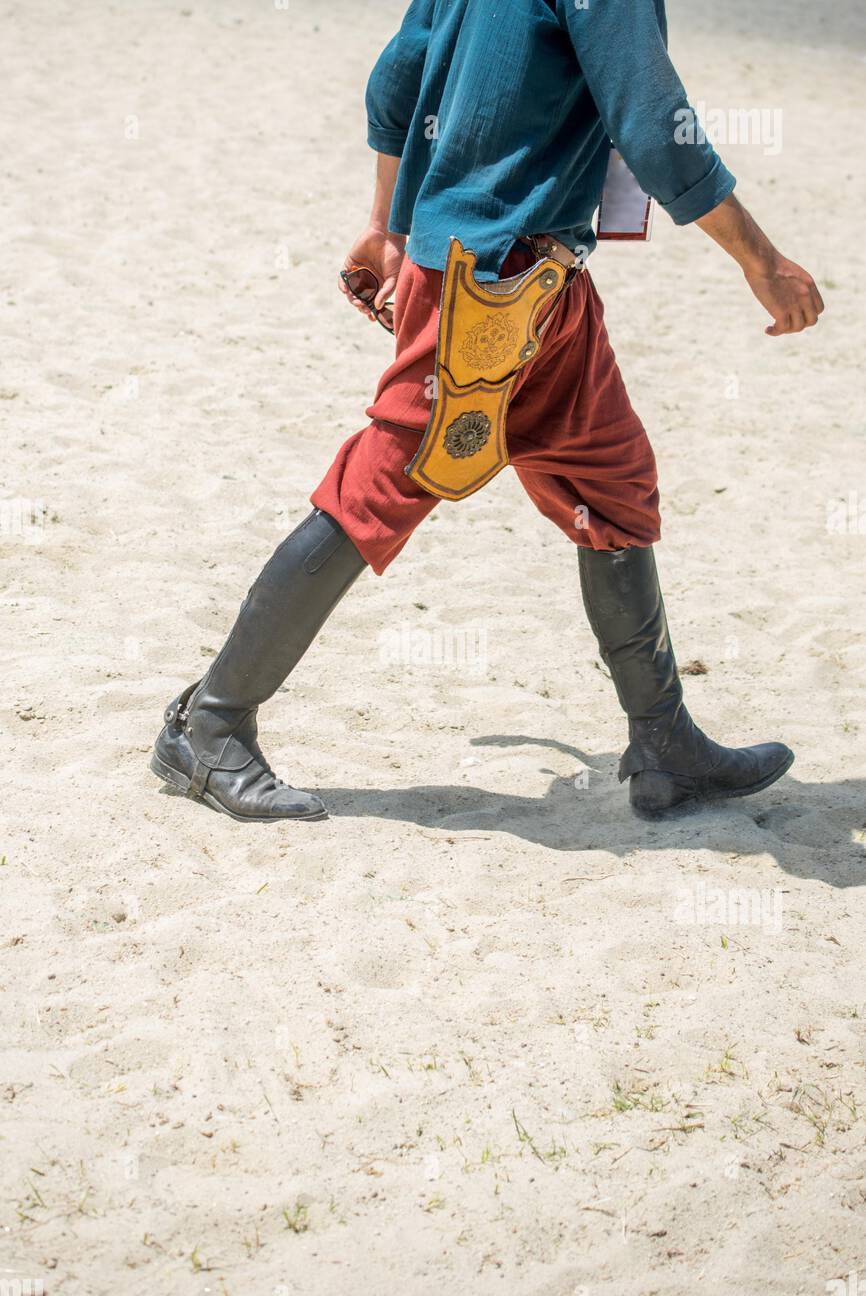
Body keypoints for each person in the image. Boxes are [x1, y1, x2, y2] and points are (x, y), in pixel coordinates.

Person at [151, 0, 824, 824]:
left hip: (539, 282)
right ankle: (211, 726)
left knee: (613, 481)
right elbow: (653, 122)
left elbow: (398, 76)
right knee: (380, 489)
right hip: (492, 286)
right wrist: (762, 259)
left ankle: (664, 744)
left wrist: (387, 225)